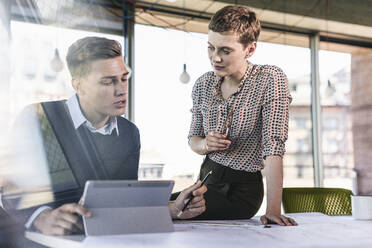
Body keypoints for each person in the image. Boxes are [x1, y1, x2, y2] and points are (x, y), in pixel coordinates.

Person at [5, 36, 206, 236]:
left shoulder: (129, 133)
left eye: (124, 79)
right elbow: (10, 189)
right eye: (107, 82)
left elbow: (121, 203)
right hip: (42, 239)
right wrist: (41, 217)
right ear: (79, 85)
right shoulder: (38, 118)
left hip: (99, 238)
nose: (121, 90)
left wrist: (173, 208)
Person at [188, 5, 297, 226]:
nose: (215, 58)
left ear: (250, 49)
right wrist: (206, 144)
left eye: (225, 51)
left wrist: (273, 210)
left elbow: (273, 146)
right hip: (205, 181)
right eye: (211, 48)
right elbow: (193, 140)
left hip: (241, 192)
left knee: (162, 208)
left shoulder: (269, 79)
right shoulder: (203, 84)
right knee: (159, 206)